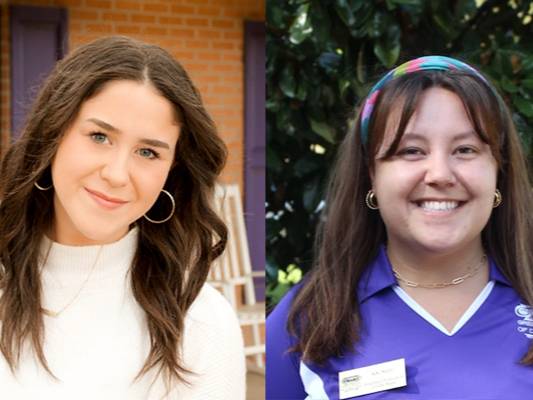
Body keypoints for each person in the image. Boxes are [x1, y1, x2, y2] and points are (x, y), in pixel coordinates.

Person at [266, 56, 533, 399]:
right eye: (411, 150)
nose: (439, 174)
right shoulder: (305, 320)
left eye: (465, 149)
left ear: (499, 171)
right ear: (371, 175)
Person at [0, 36, 245, 399]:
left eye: (147, 152)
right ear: (53, 134)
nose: (117, 174)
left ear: (171, 172)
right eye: (99, 136)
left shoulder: (202, 321)